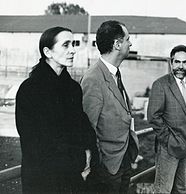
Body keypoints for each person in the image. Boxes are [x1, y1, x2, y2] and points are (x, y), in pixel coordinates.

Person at [15, 26, 98, 194]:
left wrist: (89, 152)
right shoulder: (30, 90)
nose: (73, 50)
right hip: (43, 181)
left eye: (73, 44)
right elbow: (36, 142)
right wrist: (80, 159)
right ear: (48, 52)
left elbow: (83, 126)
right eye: (66, 45)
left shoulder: (73, 88)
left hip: (75, 178)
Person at [80, 20, 139, 194]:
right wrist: (100, 166)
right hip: (107, 168)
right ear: (117, 44)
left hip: (123, 160)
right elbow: (88, 127)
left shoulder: (115, 73)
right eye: (128, 39)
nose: (130, 43)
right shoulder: (93, 78)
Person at [147, 45, 186, 193]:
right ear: (171, 63)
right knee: (163, 190)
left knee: (180, 189)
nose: (180, 67)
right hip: (168, 149)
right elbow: (153, 116)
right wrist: (170, 140)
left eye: (184, 62)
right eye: (177, 62)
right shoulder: (161, 85)